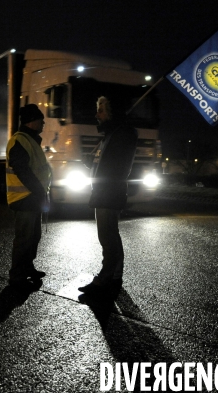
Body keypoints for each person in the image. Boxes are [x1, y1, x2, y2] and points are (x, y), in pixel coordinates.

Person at [79, 96, 138, 297]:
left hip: (108, 193)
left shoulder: (121, 133)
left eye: (101, 110)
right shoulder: (112, 133)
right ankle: (114, 276)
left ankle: (105, 278)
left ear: (112, 113)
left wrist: (99, 172)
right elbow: (106, 165)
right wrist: (92, 164)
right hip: (105, 191)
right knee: (111, 235)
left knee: (107, 236)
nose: (97, 114)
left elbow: (116, 167)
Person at [5, 104, 51, 290]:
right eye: (41, 120)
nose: (44, 123)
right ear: (32, 121)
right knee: (24, 238)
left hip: (33, 198)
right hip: (24, 198)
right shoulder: (20, 141)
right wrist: (40, 192)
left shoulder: (31, 140)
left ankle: (27, 267)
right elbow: (23, 171)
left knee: (34, 237)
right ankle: (16, 275)